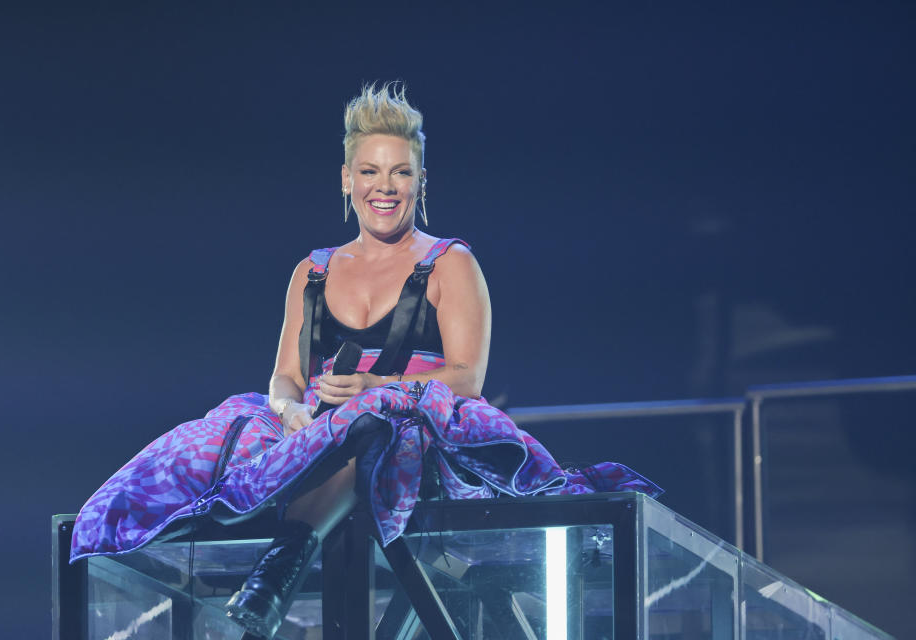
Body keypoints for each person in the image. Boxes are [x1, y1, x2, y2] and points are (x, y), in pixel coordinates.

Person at [69, 83, 661, 639]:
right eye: (372, 172)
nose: (387, 186)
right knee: (221, 438)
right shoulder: (313, 271)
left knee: (374, 419)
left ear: (421, 181)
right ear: (347, 179)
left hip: (418, 430)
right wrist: (289, 407)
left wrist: (378, 385)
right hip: (319, 429)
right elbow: (286, 376)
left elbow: (467, 378)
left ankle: (282, 565)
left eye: (401, 172)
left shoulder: (452, 263)